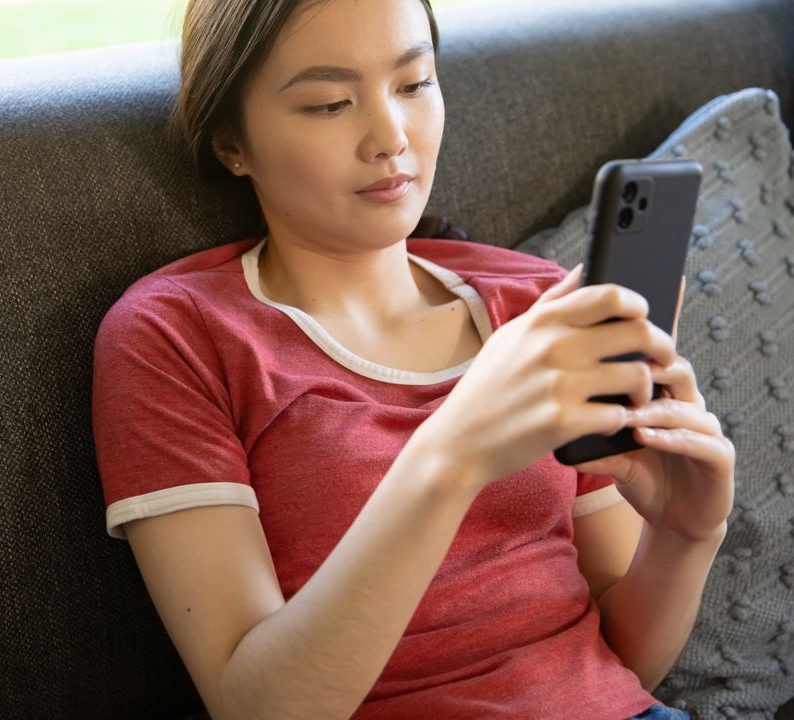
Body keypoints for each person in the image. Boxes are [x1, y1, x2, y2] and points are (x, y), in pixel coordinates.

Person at [91, 0, 736, 717]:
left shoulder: (533, 306)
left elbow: (620, 669)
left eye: (413, 84)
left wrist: (686, 536)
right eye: (329, 103)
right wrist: (449, 461)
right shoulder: (176, 337)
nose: (391, 137)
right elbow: (259, 707)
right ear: (231, 144)